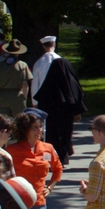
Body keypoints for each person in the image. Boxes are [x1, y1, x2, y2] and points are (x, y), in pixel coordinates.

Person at [32, 36, 85, 164]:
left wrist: (35, 103)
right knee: (65, 132)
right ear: (54, 44)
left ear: (43, 46)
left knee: (49, 133)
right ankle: (63, 156)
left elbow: (35, 84)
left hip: (47, 101)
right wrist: (77, 110)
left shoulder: (39, 63)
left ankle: (49, 157)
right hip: (65, 105)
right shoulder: (62, 62)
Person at [0, 41, 33, 117]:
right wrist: (24, 97)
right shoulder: (22, 65)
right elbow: (25, 85)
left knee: (4, 121)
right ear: (19, 52)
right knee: (19, 121)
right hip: (17, 96)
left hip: (3, 96)